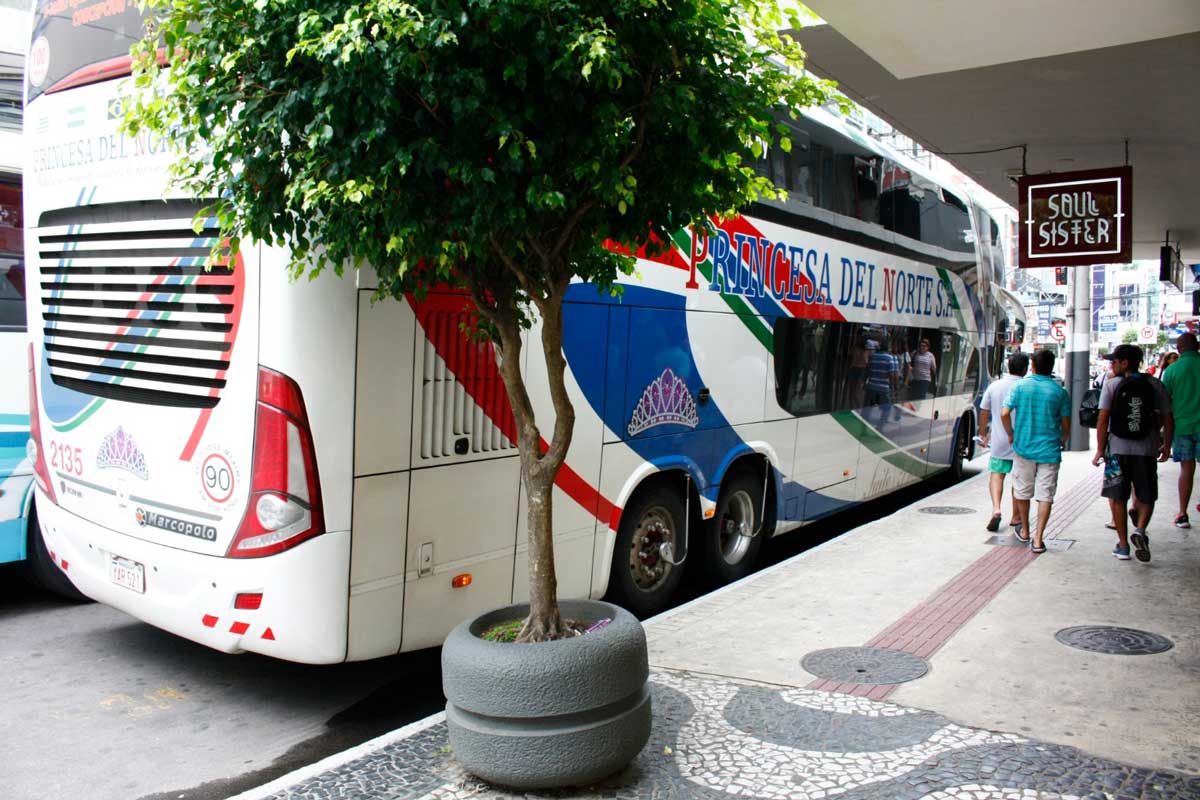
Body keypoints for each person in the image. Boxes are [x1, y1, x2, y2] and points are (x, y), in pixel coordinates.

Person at [1091, 344, 1172, 562]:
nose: (1111, 365)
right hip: (1146, 450)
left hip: (1117, 451)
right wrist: (1166, 445)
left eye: (1114, 361)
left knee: (1118, 496)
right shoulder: (1155, 384)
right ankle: (1140, 530)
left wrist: (1100, 449)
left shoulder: (1112, 385)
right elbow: (1167, 417)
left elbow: (1102, 419)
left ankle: (1124, 545)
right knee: (1146, 494)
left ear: (1124, 363)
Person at [1001, 348, 1071, 554]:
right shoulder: (1060, 392)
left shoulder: (1021, 387)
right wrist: (1063, 439)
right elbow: (1066, 426)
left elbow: (1005, 413)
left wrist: (1011, 433)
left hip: (1024, 448)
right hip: (1049, 450)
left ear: (1032, 365)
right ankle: (1038, 539)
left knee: (1022, 491)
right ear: (1051, 367)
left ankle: (1025, 531)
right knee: (1045, 494)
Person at [978, 352, 1030, 532]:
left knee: (997, 475)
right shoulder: (1027, 387)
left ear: (1008, 365)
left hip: (999, 441)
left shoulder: (995, 386)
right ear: (1025, 368)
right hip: (1021, 443)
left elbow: (984, 411)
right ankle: (1016, 517)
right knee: (1018, 479)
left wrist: (983, 433)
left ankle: (996, 509)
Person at [1161, 334, 1199, 528]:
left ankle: (1183, 513)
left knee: (1186, 469)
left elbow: (1164, 404)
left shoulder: (1172, 370)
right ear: (1198, 346)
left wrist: (1164, 438)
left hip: (1182, 426)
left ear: (1179, 349)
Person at [864, 339, 899, 422]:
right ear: (888, 348)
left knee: (867, 409)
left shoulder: (873, 356)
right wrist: (894, 387)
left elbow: (867, 370)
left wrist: (865, 382)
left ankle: (863, 428)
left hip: (871, 387)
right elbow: (892, 375)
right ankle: (880, 427)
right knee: (886, 409)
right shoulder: (890, 358)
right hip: (883, 389)